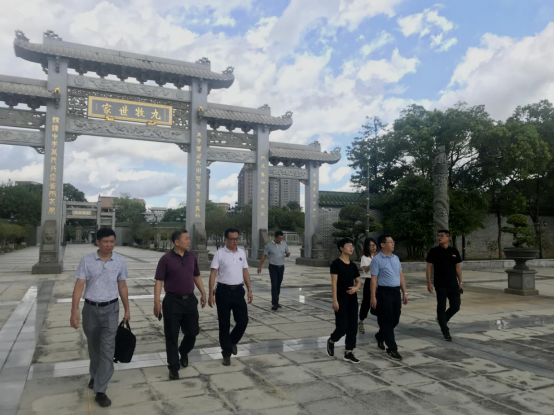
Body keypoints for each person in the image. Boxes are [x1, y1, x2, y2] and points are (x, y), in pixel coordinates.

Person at [70, 228, 130, 408]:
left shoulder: (119, 261)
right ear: (97, 242)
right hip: (90, 310)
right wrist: (74, 310)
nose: (109, 245)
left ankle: (101, 390)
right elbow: (79, 285)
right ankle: (95, 375)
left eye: (112, 241)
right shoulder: (87, 260)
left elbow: (122, 285)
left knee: (107, 350)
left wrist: (127, 309)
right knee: (94, 347)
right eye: (105, 242)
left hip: (111, 309)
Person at [154, 229, 207, 380]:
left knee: (193, 332)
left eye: (189, 238)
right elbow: (159, 281)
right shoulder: (165, 259)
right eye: (186, 239)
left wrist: (203, 293)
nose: (189, 241)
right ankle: (173, 367)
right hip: (172, 302)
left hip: (190, 301)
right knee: (171, 335)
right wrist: (156, 302)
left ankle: (183, 350)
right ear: (177, 242)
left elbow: (196, 276)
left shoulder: (191, 257)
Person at [208, 228, 253, 366]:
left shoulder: (241, 253)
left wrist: (249, 289)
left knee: (243, 320)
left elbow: (245, 271)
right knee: (224, 324)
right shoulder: (219, 254)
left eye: (237, 239)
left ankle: (232, 341)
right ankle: (226, 353)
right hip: (223, 291)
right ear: (226, 240)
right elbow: (213, 274)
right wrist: (210, 294)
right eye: (232, 239)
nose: (235, 241)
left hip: (238, 291)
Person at [370, 234, 408, 361]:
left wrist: (405, 292)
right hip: (384, 293)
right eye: (390, 242)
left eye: (393, 241)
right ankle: (392, 349)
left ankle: (380, 336)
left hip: (396, 293)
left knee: (395, 319)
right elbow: (373, 279)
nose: (393, 244)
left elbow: (400, 275)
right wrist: (373, 297)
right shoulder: (377, 260)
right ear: (382, 244)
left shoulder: (396, 258)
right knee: (386, 320)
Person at [326, 238, 362, 363]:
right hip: (341, 298)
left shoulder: (353, 265)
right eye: (348, 245)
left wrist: (355, 288)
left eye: (352, 246)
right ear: (341, 248)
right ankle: (332, 340)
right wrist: (334, 300)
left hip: (352, 299)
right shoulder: (336, 264)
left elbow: (358, 281)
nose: (351, 248)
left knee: (353, 326)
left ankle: (348, 352)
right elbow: (334, 283)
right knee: (342, 326)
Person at [426, 229, 463, 342]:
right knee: (441, 306)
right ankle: (445, 330)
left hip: (453, 284)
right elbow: (429, 267)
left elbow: (457, 268)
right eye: (438, 236)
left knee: (456, 306)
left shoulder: (454, 251)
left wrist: (461, 282)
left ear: (448, 238)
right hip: (440, 284)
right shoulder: (434, 251)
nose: (439, 238)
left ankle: (442, 320)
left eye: (442, 236)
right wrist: (429, 282)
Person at [257, 230, 291, 311]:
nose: (280, 240)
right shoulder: (269, 246)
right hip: (273, 267)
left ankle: (276, 301)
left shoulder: (284, 244)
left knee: (278, 285)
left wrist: (287, 255)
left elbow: (287, 253)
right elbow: (264, 256)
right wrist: (260, 266)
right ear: (275, 237)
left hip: (281, 267)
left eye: (282, 238)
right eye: (279, 238)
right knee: (274, 285)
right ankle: (274, 303)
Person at [358, 237, 378, 334]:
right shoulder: (365, 257)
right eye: (371, 245)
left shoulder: (378, 256)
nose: (373, 247)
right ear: (367, 247)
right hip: (369, 281)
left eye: (374, 245)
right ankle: (361, 320)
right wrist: (374, 261)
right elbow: (366, 269)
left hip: (379, 281)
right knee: (366, 302)